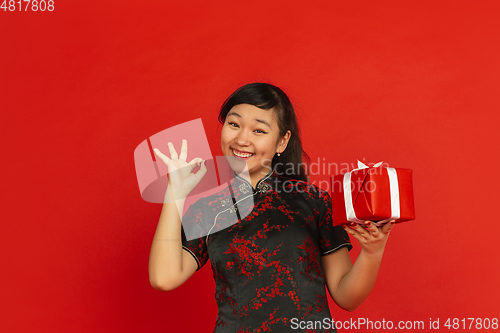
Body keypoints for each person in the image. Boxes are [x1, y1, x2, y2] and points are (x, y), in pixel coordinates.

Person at [148, 82, 395, 333]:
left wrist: (372, 253)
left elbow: (346, 297)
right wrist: (175, 194)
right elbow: (163, 278)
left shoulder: (312, 201)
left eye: (258, 130)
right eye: (234, 124)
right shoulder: (209, 209)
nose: (242, 139)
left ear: (282, 141)